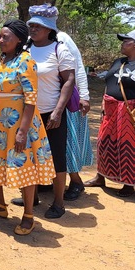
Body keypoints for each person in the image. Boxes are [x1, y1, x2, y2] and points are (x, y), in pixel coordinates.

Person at [0, 20, 55, 235]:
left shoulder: (26, 61)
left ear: (19, 39)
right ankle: (0, 205)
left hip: (21, 124)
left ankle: (28, 215)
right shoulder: (2, 60)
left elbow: (30, 99)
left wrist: (22, 131)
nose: (1, 40)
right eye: (0, 37)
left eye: (6, 37)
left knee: (23, 166)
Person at [11, 4, 75, 219]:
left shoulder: (60, 50)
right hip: (27, 113)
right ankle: (32, 196)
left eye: (39, 26)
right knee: (29, 155)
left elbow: (69, 82)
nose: (34, 29)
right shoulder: (25, 49)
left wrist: (58, 111)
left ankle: (58, 203)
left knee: (56, 158)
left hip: (50, 114)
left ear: (49, 29)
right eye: (32, 25)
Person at [84, 30, 135, 197]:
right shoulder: (119, 62)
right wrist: (104, 103)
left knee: (130, 146)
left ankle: (128, 183)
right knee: (105, 142)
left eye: (126, 41)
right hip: (111, 109)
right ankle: (101, 176)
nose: (122, 43)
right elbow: (109, 82)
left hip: (132, 111)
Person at [57, 30, 94, 201]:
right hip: (43, 99)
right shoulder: (31, 41)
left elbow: (78, 67)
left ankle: (76, 181)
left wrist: (84, 96)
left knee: (68, 142)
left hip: (66, 99)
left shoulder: (62, 39)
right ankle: (48, 182)